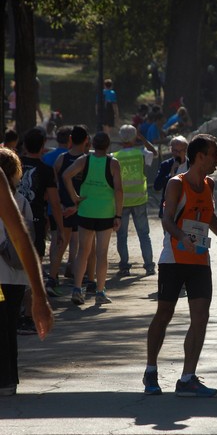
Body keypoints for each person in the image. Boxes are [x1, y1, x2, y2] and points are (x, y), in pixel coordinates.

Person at [143, 134, 217, 397]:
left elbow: (209, 214)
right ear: (200, 156)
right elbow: (167, 219)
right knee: (164, 314)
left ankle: (187, 378)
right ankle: (150, 370)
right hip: (174, 259)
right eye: (214, 153)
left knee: (201, 318)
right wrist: (181, 237)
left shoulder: (209, 184)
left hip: (200, 260)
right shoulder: (176, 184)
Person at [0, 160, 53, 396]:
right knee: (7, 325)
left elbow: (23, 238)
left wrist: (40, 297)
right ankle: (8, 380)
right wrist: (38, 295)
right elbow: (26, 238)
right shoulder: (19, 199)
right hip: (14, 276)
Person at [62, 132, 123, 305]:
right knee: (102, 254)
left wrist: (74, 196)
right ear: (108, 146)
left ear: (92, 145)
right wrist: (118, 214)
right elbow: (118, 190)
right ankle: (100, 292)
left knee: (83, 251)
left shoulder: (84, 160)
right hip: (105, 213)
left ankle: (76, 289)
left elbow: (66, 175)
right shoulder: (113, 163)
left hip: (85, 212)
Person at [17, 127, 64, 333]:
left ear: (24, 145)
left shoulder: (12, 164)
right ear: (43, 145)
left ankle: (13, 309)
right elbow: (54, 202)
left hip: (9, 222)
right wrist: (60, 229)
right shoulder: (45, 170)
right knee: (31, 270)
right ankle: (27, 315)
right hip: (34, 224)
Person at [46, 125, 91, 296]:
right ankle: (84, 283)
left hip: (65, 208)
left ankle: (52, 279)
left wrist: (63, 206)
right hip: (81, 209)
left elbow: (55, 187)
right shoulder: (88, 161)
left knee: (61, 245)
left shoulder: (61, 160)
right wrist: (76, 206)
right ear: (86, 140)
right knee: (84, 248)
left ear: (71, 139)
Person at [113, 124, 157, 277]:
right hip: (139, 199)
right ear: (134, 137)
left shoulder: (115, 156)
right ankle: (149, 266)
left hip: (121, 201)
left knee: (122, 236)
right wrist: (143, 138)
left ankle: (124, 266)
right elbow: (154, 152)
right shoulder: (140, 152)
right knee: (144, 235)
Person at [153, 135, 189, 218]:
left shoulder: (191, 165)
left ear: (186, 151)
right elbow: (157, 186)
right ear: (171, 150)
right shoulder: (165, 165)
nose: (177, 154)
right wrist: (171, 174)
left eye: (180, 151)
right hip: (169, 209)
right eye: (174, 151)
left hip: (187, 208)